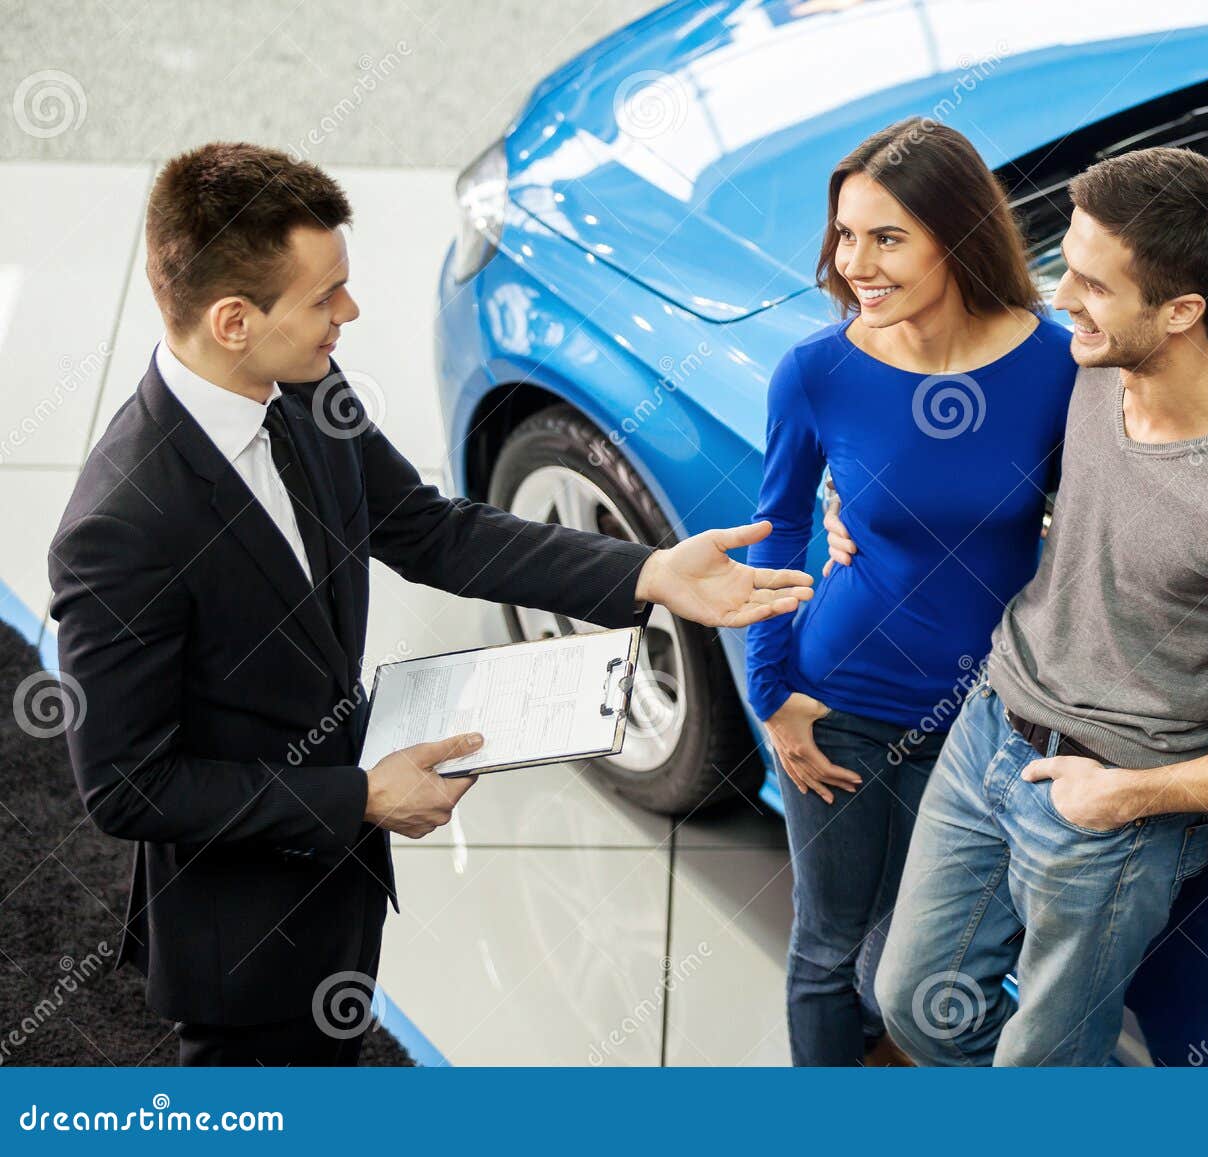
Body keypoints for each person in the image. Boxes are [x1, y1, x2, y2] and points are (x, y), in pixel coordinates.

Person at [47, 142, 812, 1067]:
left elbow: (427, 529)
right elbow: (127, 784)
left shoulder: (304, 388)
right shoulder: (120, 527)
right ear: (235, 320)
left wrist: (647, 573)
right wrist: (360, 794)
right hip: (243, 934)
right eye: (325, 295)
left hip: (343, 878)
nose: (351, 312)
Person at [840, 146, 1208, 1066]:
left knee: (1042, 1071)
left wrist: (1128, 796)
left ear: (1181, 312)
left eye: (1090, 284)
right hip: (991, 728)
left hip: (1108, 810)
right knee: (912, 1002)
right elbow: (965, 435)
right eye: (1066, 268)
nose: (1061, 300)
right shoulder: (1095, 361)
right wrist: (852, 500)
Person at [745, 119, 1076, 1066]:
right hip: (838, 695)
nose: (856, 263)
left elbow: (1091, 526)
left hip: (980, 719)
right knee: (827, 942)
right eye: (845, 234)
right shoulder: (817, 371)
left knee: (907, 958)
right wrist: (774, 694)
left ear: (957, 236)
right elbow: (779, 531)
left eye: (886, 237)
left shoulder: (1054, 366)